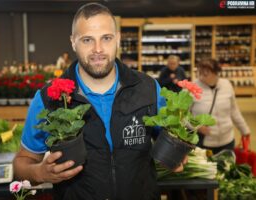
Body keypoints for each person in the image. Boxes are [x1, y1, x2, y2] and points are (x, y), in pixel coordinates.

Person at [13, 3, 185, 200]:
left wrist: (177, 151)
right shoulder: (48, 99)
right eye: (87, 40)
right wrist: (39, 173)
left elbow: (169, 135)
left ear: (117, 39)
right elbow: (21, 164)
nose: (98, 49)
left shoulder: (148, 88)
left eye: (106, 38)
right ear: (73, 42)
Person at [191, 58, 251, 154]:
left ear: (216, 73)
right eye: (199, 73)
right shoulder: (192, 88)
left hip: (227, 140)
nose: (201, 77)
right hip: (204, 143)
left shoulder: (226, 85)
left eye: (205, 74)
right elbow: (182, 115)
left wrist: (245, 130)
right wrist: (196, 126)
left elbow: (234, 110)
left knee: (227, 167)